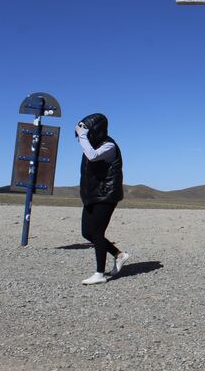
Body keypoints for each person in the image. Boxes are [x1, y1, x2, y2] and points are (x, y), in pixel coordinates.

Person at [75, 113, 129, 285]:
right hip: (92, 194)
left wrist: (83, 135)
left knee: (97, 232)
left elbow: (93, 156)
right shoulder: (93, 144)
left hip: (106, 195)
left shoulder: (109, 146)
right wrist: (81, 135)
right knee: (87, 232)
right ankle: (119, 255)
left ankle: (99, 274)